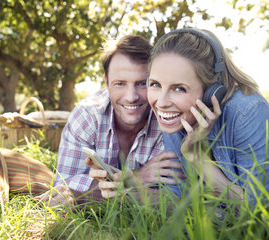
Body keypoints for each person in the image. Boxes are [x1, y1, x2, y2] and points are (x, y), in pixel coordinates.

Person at [145, 28, 269, 204]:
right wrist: (125, 189)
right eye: (155, 84)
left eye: (179, 88)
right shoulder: (173, 118)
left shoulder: (247, 112)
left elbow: (260, 209)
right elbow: (178, 198)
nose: (161, 102)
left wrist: (198, 160)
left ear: (212, 91)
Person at [41, 35, 186, 207]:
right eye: (120, 84)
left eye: (142, 83)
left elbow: (172, 199)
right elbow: (64, 186)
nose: (131, 97)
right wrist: (136, 178)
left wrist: (86, 195)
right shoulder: (87, 115)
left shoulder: (167, 119)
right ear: (106, 83)